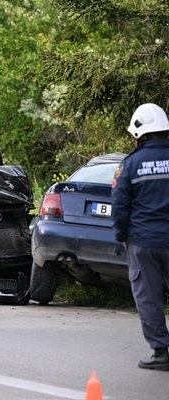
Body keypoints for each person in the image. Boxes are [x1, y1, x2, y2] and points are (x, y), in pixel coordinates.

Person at [111, 102, 169, 371]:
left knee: (149, 296)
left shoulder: (130, 165)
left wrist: (121, 235)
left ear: (139, 134)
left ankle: (161, 352)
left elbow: (120, 206)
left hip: (143, 241)